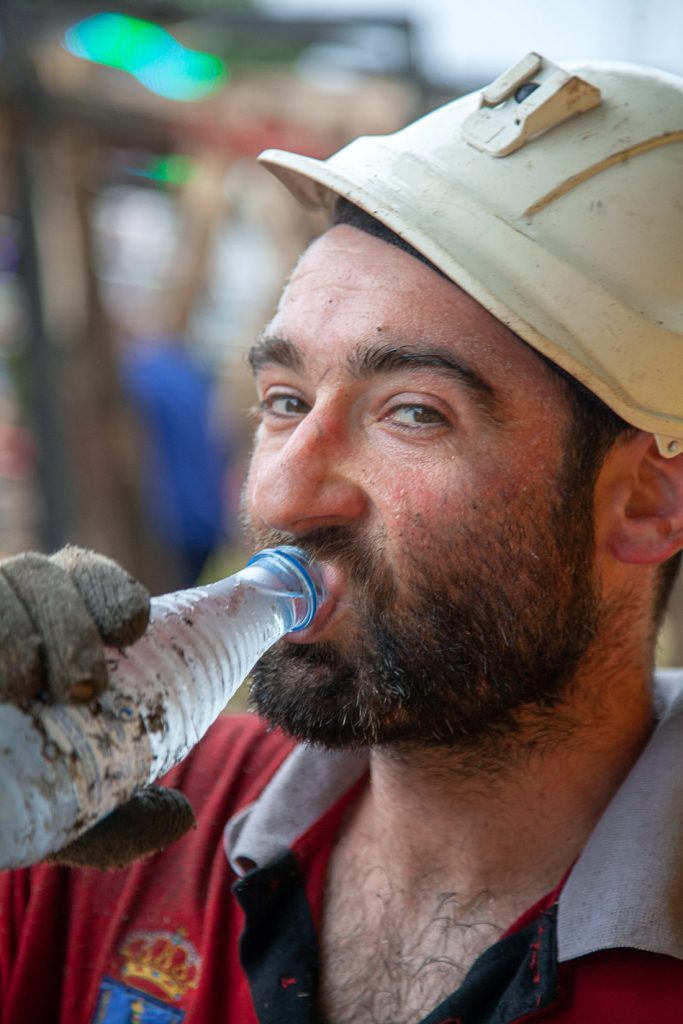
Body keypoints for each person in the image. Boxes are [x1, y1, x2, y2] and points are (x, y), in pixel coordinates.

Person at [1, 51, 683, 1024]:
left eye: (410, 413)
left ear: (645, 501)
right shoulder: (110, 818)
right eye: (283, 401)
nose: (281, 494)